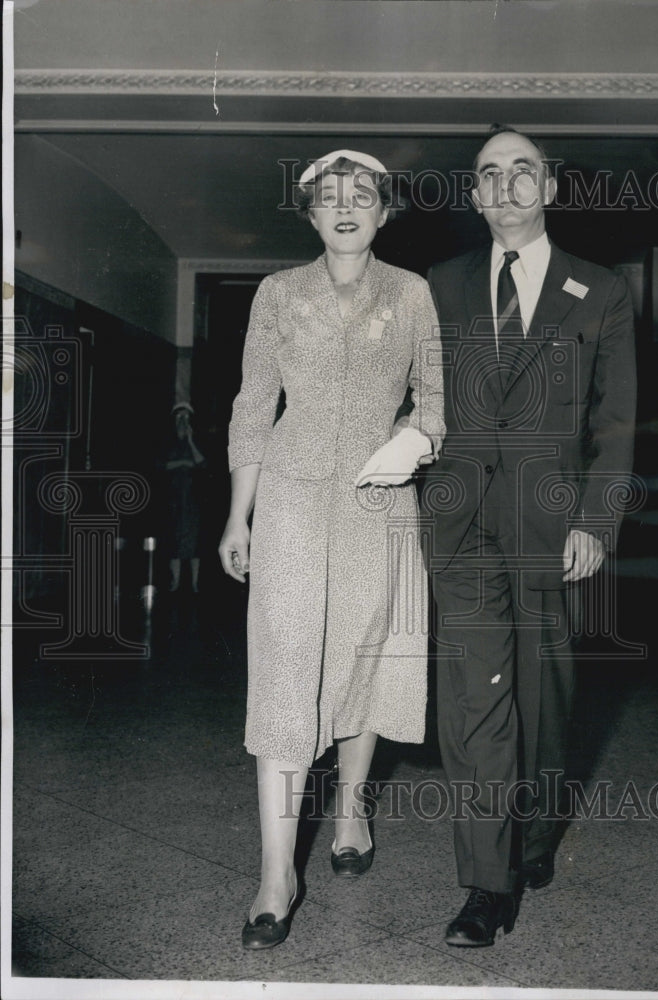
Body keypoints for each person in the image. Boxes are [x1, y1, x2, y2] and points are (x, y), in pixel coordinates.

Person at [218, 149, 445, 950]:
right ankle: (276, 873)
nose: (345, 207)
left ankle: (350, 805)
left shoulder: (412, 293)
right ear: (309, 214)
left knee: (363, 653)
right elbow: (252, 404)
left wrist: (411, 442)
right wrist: (237, 515)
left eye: (363, 196)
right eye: (328, 197)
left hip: (378, 503)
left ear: (384, 212)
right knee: (284, 665)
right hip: (288, 495)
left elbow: (435, 405)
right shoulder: (277, 293)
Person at [422, 127, 636, 946]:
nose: (505, 186)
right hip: (462, 518)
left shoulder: (601, 289)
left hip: (552, 520)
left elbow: (615, 422)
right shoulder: (436, 286)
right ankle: (486, 881)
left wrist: (595, 518)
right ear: (474, 196)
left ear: (549, 189)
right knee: (474, 700)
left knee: (544, 697)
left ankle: (535, 835)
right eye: (489, 174)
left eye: (523, 172)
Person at [163, 401, 206, 593]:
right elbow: (163, 465)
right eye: (179, 418)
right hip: (172, 501)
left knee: (194, 542)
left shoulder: (196, 441)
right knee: (174, 541)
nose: (182, 422)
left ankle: (195, 584)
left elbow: (202, 463)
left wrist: (190, 441)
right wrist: (183, 463)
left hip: (192, 502)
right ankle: (175, 583)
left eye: (186, 418)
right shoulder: (168, 442)